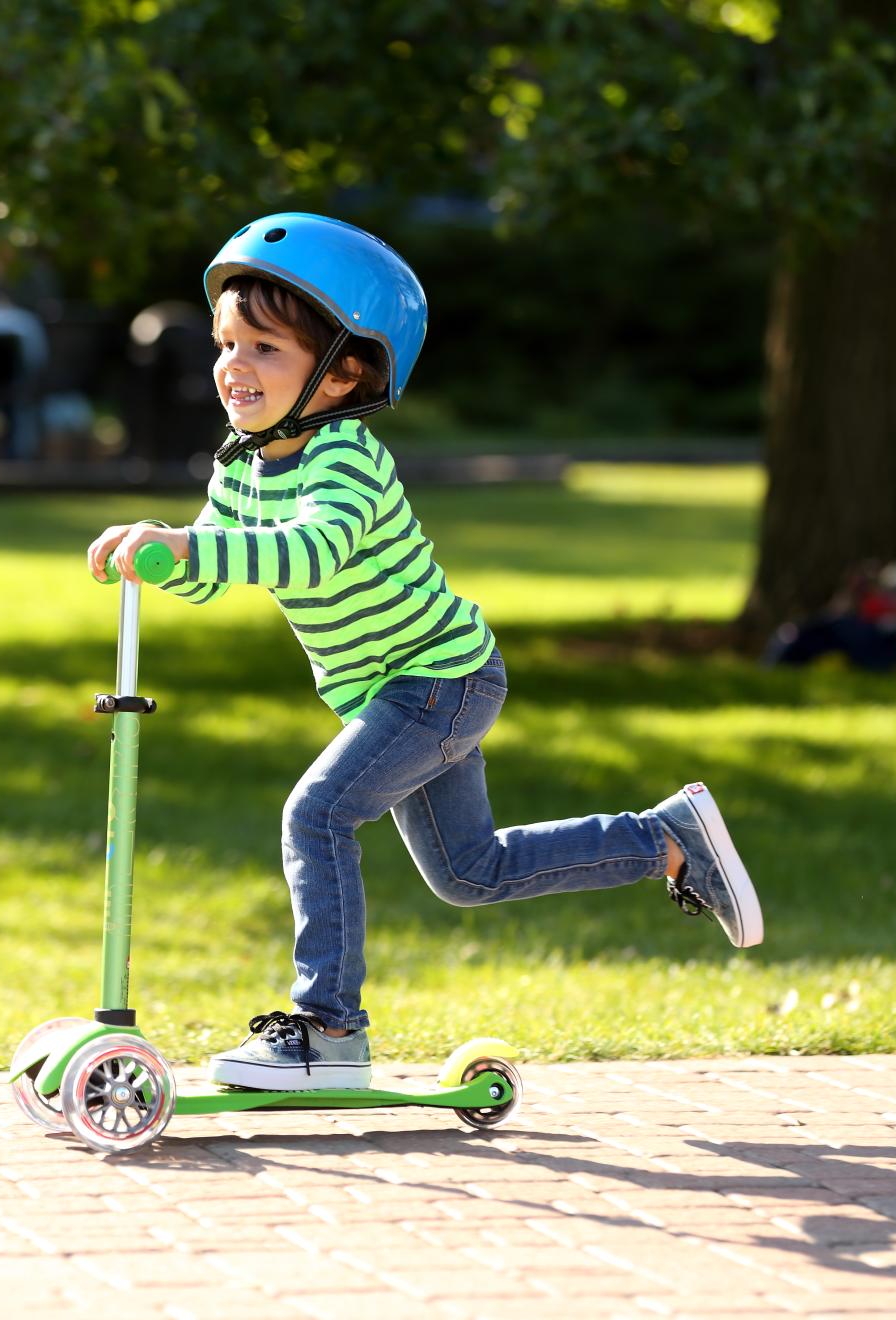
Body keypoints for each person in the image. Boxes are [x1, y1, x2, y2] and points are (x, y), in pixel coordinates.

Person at [85, 214, 764, 1091]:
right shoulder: (242, 465)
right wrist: (160, 553)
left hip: (439, 680)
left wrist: (189, 549)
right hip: (399, 693)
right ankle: (665, 841)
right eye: (227, 343)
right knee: (468, 874)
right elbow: (217, 566)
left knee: (316, 815)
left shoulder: (345, 458)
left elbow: (311, 549)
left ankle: (329, 1027)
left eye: (265, 348)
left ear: (344, 375)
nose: (234, 367)